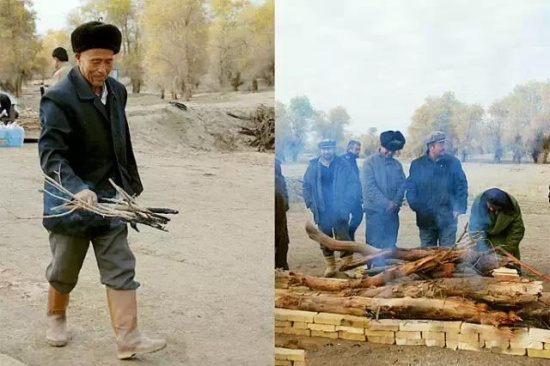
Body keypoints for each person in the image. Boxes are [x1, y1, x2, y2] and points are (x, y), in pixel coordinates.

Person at [39, 21, 165, 359]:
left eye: (109, 61)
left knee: (121, 266)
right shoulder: (58, 98)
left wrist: (127, 187)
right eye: (95, 61)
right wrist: (78, 189)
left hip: (110, 199)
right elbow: (51, 155)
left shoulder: (117, 91)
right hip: (71, 201)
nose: (103, 69)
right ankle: (56, 316)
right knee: (64, 268)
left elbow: (119, 141)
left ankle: (129, 339)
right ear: (78, 58)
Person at [302, 139, 361, 277]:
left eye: (329, 149)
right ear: (320, 150)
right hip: (322, 209)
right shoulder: (313, 165)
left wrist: (347, 204)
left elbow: (354, 185)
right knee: (324, 238)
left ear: (334, 149)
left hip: (340, 209)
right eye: (324, 149)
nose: (326, 152)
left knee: (343, 238)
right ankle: (331, 266)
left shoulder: (343, 164)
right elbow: (306, 185)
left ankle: (347, 266)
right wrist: (310, 203)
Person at [406, 131, 468, 247]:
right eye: (441, 144)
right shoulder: (418, 165)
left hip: (447, 216)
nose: (444, 147)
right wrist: (416, 206)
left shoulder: (453, 163)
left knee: (447, 255)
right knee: (427, 255)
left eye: (444, 143)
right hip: (425, 218)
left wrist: (458, 208)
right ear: (431, 146)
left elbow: (461, 186)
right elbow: (411, 187)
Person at [362, 131, 406, 252]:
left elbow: (402, 185)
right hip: (375, 213)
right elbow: (369, 188)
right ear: (380, 146)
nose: (390, 153)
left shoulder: (397, 165)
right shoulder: (369, 163)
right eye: (388, 149)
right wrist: (387, 203)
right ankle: (373, 270)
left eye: (393, 151)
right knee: (373, 246)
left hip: (392, 213)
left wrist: (396, 202)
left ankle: (388, 269)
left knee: (390, 245)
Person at [469, 188, 525, 260]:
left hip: (505, 236)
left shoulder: (511, 206)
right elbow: (475, 227)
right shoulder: (479, 203)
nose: (491, 209)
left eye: (495, 208)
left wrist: (508, 249)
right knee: (481, 262)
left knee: (508, 264)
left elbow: (517, 230)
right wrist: (481, 248)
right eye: (490, 206)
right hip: (485, 236)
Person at [342, 140, 363, 241]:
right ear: (349, 149)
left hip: (354, 197)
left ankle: (350, 237)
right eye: (356, 149)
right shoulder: (344, 160)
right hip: (345, 196)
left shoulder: (353, 160)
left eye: (359, 149)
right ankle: (347, 241)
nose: (358, 151)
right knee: (344, 220)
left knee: (358, 216)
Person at [275, 158, 290, 270]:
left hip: (280, 213)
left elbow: (284, 193)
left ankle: (281, 265)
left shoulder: (280, 180)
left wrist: (285, 204)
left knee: (282, 241)